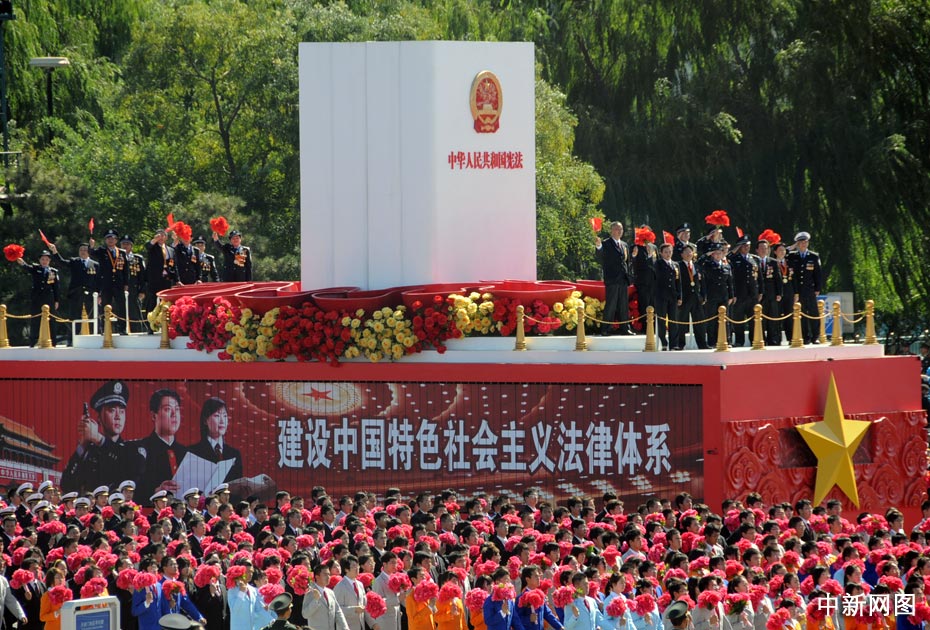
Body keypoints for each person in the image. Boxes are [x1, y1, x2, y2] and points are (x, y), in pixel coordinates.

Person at [60, 380, 144, 494]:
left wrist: (98, 438)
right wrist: (84, 443)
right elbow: (66, 485)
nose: (118, 417)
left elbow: (127, 468)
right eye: (112, 410)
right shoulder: (90, 451)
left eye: (122, 411)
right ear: (99, 417)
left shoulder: (133, 449)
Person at [134, 389, 187, 499]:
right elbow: (132, 491)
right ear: (154, 416)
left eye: (177, 409)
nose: (174, 414)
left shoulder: (186, 453)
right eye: (168, 409)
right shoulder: (140, 450)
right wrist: (157, 491)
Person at [186, 398, 244, 489]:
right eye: (217, 416)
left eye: (225, 416)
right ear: (205, 420)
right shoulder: (193, 452)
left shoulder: (234, 454)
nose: (222, 421)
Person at [49, 242, 96, 344]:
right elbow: (61, 262)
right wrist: (55, 251)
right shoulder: (74, 261)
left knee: (93, 316)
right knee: (74, 317)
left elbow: (98, 281)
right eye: (81, 250)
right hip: (76, 293)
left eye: (85, 250)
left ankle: (95, 338)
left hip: (91, 295)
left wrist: (98, 293)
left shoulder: (95, 264)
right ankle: (71, 339)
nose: (83, 252)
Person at [594, 222, 633, 336]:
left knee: (623, 305)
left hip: (623, 279)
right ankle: (606, 329)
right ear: (611, 231)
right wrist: (598, 246)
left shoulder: (624, 245)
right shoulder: (606, 243)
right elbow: (600, 257)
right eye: (617, 229)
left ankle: (625, 328)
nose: (619, 231)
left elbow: (627, 262)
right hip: (612, 279)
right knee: (611, 304)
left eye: (621, 229)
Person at [88, 229, 131, 333]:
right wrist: (91, 246)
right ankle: (105, 328)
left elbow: (126, 270)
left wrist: (126, 283)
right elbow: (92, 253)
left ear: (116, 240)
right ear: (105, 240)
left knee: (121, 306)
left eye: (113, 238)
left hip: (118, 284)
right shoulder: (102, 251)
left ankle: (122, 328)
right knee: (105, 305)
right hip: (106, 284)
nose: (110, 240)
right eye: (108, 238)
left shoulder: (122, 252)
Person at [15, 249, 60, 346]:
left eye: (46, 259)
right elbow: (27, 267)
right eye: (42, 259)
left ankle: (53, 341)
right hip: (37, 298)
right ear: (39, 260)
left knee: (51, 320)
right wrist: (21, 262)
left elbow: (56, 287)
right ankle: (33, 341)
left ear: (49, 261)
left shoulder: (53, 271)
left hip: (49, 298)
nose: (44, 261)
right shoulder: (36, 268)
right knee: (35, 319)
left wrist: (56, 300)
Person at [787, 232, 822, 344]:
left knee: (813, 312)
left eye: (805, 242)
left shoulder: (813, 256)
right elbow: (782, 252)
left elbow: (818, 274)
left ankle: (815, 336)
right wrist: (793, 246)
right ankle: (805, 337)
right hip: (798, 290)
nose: (803, 244)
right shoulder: (792, 256)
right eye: (801, 242)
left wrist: (817, 288)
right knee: (801, 314)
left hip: (810, 289)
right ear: (797, 243)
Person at [700, 243, 734, 348]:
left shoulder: (726, 266)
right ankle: (712, 341)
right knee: (712, 319)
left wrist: (731, 296)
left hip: (723, 296)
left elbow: (729, 282)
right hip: (712, 296)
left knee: (725, 319)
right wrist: (707, 254)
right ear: (712, 254)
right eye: (716, 253)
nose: (718, 255)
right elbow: (698, 263)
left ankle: (726, 340)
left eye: (720, 253)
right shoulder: (707, 265)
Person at [728, 235, 760, 347]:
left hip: (752, 294)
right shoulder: (734, 259)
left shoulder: (754, 259)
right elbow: (727, 257)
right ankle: (739, 341)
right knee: (738, 319)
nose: (747, 247)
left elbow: (759, 277)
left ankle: (754, 340)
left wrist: (760, 291)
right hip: (740, 294)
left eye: (748, 245)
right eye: (744, 245)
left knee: (753, 319)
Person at [675, 244, 708, 350]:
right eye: (686, 252)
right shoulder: (678, 266)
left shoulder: (697, 266)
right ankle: (680, 344)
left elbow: (702, 282)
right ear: (682, 254)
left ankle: (702, 344)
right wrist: (678, 297)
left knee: (699, 322)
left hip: (696, 298)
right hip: (684, 298)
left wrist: (703, 296)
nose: (689, 254)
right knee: (682, 322)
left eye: (690, 252)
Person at [302, 561, 350, 630]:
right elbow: (305, 614)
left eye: (329, 574)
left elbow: (338, 612)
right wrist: (316, 600)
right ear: (317, 577)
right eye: (325, 574)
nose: (328, 577)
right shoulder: (310, 592)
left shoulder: (330, 592)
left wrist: (345, 628)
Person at [756, 237, 784, 346]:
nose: (764, 250)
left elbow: (778, 278)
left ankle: (773, 340)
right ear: (757, 250)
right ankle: (761, 339)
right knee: (761, 319)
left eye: (766, 248)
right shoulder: (754, 261)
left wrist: (779, 293)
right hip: (759, 295)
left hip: (772, 294)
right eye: (761, 248)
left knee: (773, 318)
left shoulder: (773, 262)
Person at [654, 242, 682, 351]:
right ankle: (663, 342)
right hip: (661, 296)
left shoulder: (676, 264)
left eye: (670, 251)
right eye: (666, 252)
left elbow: (678, 281)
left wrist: (679, 296)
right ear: (661, 253)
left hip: (673, 296)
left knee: (673, 320)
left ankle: (674, 344)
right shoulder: (658, 264)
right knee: (661, 320)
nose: (668, 254)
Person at [145, 229, 177, 314]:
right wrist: (155, 240)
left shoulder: (170, 250)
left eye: (163, 235)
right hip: (155, 279)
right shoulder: (153, 247)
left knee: (166, 300)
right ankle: (150, 319)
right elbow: (148, 246)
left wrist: (177, 279)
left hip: (166, 279)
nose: (161, 237)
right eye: (159, 235)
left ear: (166, 237)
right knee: (153, 300)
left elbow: (174, 265)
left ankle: (165, 317)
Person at [122, 235, 149, 333]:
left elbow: (143, 277)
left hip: (134, 290)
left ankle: (138, 332)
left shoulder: (137, 258)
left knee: (135, 313)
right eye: (123, 244)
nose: (125, 246)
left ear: (131, 246)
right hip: (121, 290)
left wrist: (142, 291)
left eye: (127, 244)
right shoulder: (117, 257)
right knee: (121, 313)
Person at [772, 242, 794, 345]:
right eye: (780, 250)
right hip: (777, 294)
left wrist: (796, 293)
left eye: (784, 250)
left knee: (789, 316)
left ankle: (791, 338)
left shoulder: (789, 262)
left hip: (789, 292)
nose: (782, 252)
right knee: (777, 316)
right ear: (775, 252)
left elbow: (795, 278)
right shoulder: (772, 263)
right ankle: (777, 338)